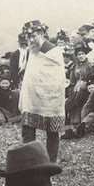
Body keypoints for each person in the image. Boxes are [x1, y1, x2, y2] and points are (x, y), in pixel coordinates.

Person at [18, 20, 65, 162]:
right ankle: (29, 160)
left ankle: (51, 162)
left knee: (52, 131)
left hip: (51, 98)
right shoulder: (30, 51)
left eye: (34, 36)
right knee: (28, 129)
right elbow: (27, 72)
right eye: (29, 37)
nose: (31, 40)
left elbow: (58, 77)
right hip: (32, 97)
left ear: (42, 34)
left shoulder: (55, 52)